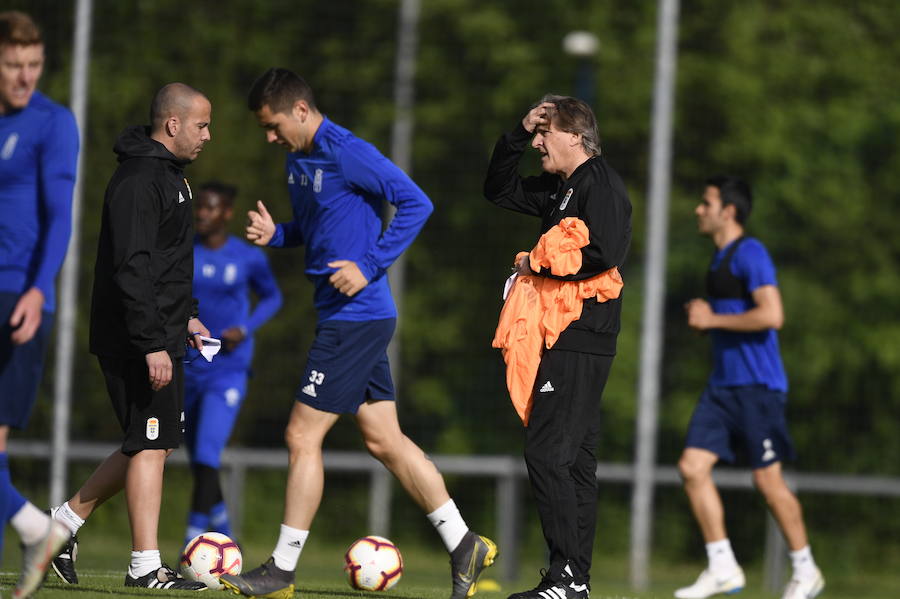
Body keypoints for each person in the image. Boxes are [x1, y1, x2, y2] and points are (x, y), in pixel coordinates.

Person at [218, 67, 497, 599]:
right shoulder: (297, 159)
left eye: (274, 126)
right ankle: (465, 544)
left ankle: (280, 570)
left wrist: (370, 265)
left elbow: (417, 202)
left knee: (302, 435)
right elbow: (320, 226)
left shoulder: (347, 150)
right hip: (342, 315)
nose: (271, 138)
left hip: (358, 316)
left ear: (301, 110)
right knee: (383, 439)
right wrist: (278, 235)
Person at [48, 82, 213, 591]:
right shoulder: (141, 179)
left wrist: (186, 317)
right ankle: (145, 566)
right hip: (136, 340)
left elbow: (165, 265)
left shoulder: (171, 178)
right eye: (202, 125)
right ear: (173, 124)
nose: (209, 135)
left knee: (151, 443)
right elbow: (131, 267)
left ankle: (59, 527)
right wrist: (150, 343)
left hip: (159, 333)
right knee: (149, 445)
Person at [484, 96, 632, 599]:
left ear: (576, 136)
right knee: (573, 461)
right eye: (537, 134)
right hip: (561, 335)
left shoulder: (603, 185)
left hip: (581, 336)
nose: (540, 143)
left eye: (546, 133)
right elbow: (498, 189)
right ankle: (574, 582)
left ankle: (565, 576)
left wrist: (536, 266)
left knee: (547, 452)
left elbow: (605, 251)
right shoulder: (559, 188)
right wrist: (517, 134)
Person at [674, 176, 824, 599]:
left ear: (729, 211)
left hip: (758, 387)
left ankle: (806, 570)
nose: (698, 210)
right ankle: (723, 566)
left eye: (706, 203)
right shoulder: (718, 260)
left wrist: (713, 320)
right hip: (722, 388)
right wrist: (704, 317)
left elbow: (772, 315)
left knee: (768, 483)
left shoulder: (750, 252)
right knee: (692, 467)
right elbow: (733, 318)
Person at [0, 10, 80, 597]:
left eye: (33, 65)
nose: (24, 77)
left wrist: (36, 289)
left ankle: (35, 529)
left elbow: (59, 220)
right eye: (12, 65)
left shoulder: (53, 124)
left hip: (15, 298)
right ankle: (34, 530)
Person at [183, 181, 282, 546]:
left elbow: (272, 297)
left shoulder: (247, 257)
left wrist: (246, 327)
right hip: (190, 366)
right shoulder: (185, 252)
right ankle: (224, 535)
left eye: (211, 208)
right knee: (198, 459)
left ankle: (192, 542)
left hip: (228, 369)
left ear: (226, 213)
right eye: (200, 208)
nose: (203, 214)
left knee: (209, 452)